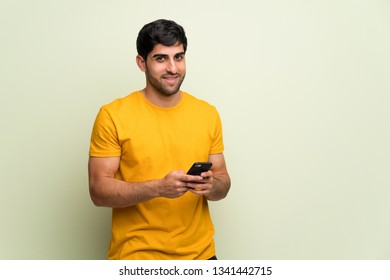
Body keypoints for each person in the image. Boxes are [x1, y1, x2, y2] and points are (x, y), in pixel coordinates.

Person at [88, 19, 231, 260]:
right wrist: (158, 188)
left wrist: (211, 186)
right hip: (138, 258)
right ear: (141, 63)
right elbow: (98, 191)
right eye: (161, 58)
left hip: (201, 256)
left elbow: (223, 182)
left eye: (179, 57)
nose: (173, 68)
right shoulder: (112, 115)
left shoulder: (207, 114)